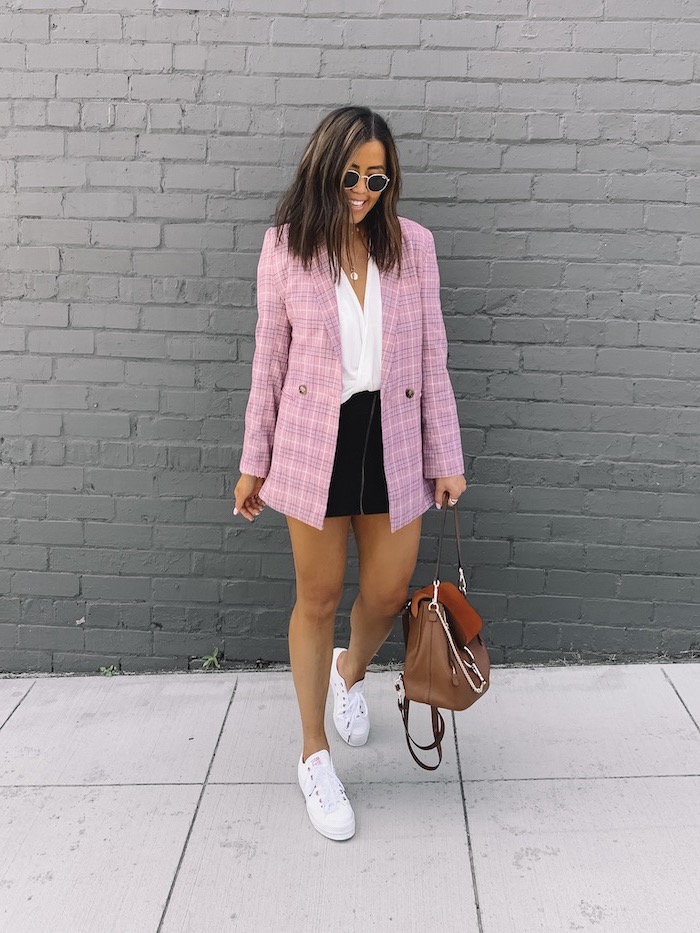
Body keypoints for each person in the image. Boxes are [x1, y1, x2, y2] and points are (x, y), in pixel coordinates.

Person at [233, 106, 466, 841]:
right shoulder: (284, 248)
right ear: (323, 167)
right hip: (313, 441)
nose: (363, 188)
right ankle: (313, 753)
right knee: (319, 594)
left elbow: (434, 358)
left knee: (390, 590)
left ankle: (350, 672)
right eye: (351, 174)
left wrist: (446, 455)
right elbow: (268, 362)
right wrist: (253, 461)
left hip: (389, 436)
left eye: (377, 176)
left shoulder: (413, 246)